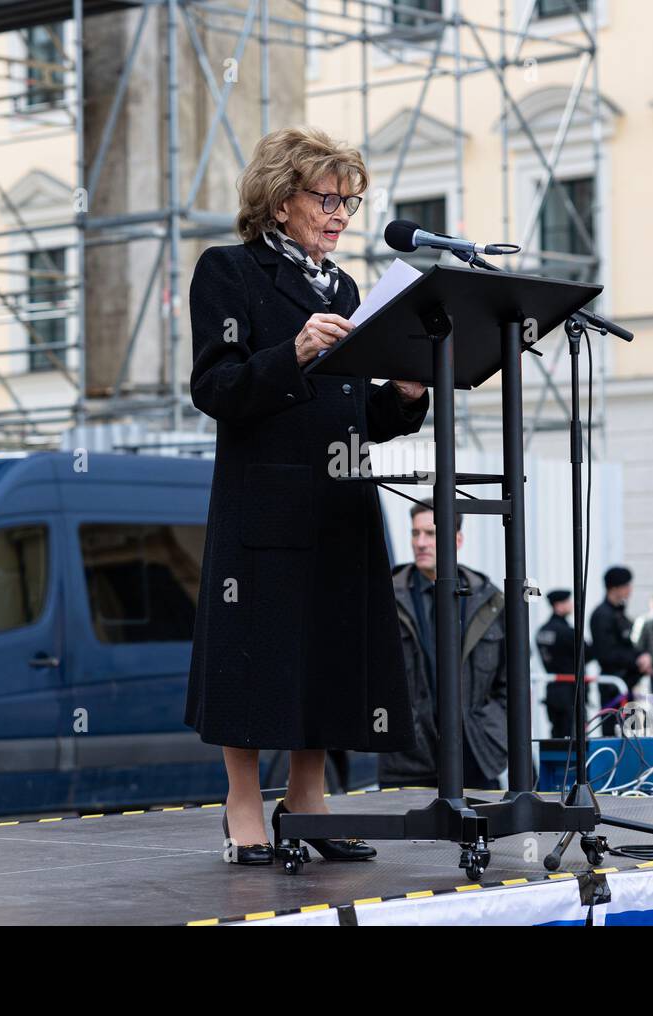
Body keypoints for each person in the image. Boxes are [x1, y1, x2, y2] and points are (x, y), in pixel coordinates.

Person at [185, 126, 430, 864]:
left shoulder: (348, 289)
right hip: (266, 502)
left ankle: (309, 796)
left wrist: (407, 391)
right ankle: (241, 801)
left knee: (327, 654)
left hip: (342, 499)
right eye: (328, 198)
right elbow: (215, 387)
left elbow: (362, 416)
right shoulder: (227, 271)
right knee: (254, 658)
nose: (341, 214)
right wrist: (290, 353)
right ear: (282, 197)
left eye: (350, 202)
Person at [382, 501, 509, 791]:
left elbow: (511, 683)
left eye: (431, 533)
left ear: (457, 539)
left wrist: (494, 731)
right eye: (415, 534)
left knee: (481, 835)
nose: (421, 543)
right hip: (407, 760)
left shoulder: (489, 601)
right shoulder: (387, 598)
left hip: (476, 756)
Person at [589, 566, 651, 732]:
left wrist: (641, 656)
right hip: (613, 685)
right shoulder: (602, 615)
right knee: (614, 734)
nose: (630, 590)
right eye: (627, 586)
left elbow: (629, 643)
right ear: (615, 588)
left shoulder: (619, 614)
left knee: (630, 733)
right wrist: (635, 660)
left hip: (627, 682)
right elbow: (606, 653)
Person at [536, 589, 594, 739]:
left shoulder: (542, 631)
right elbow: (587, 653)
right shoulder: (566, 632)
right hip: (571, 691)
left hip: (553, 690)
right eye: (568, 602)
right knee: (574, 736)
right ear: (558, 605)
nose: (571, 605)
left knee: (557, 735)